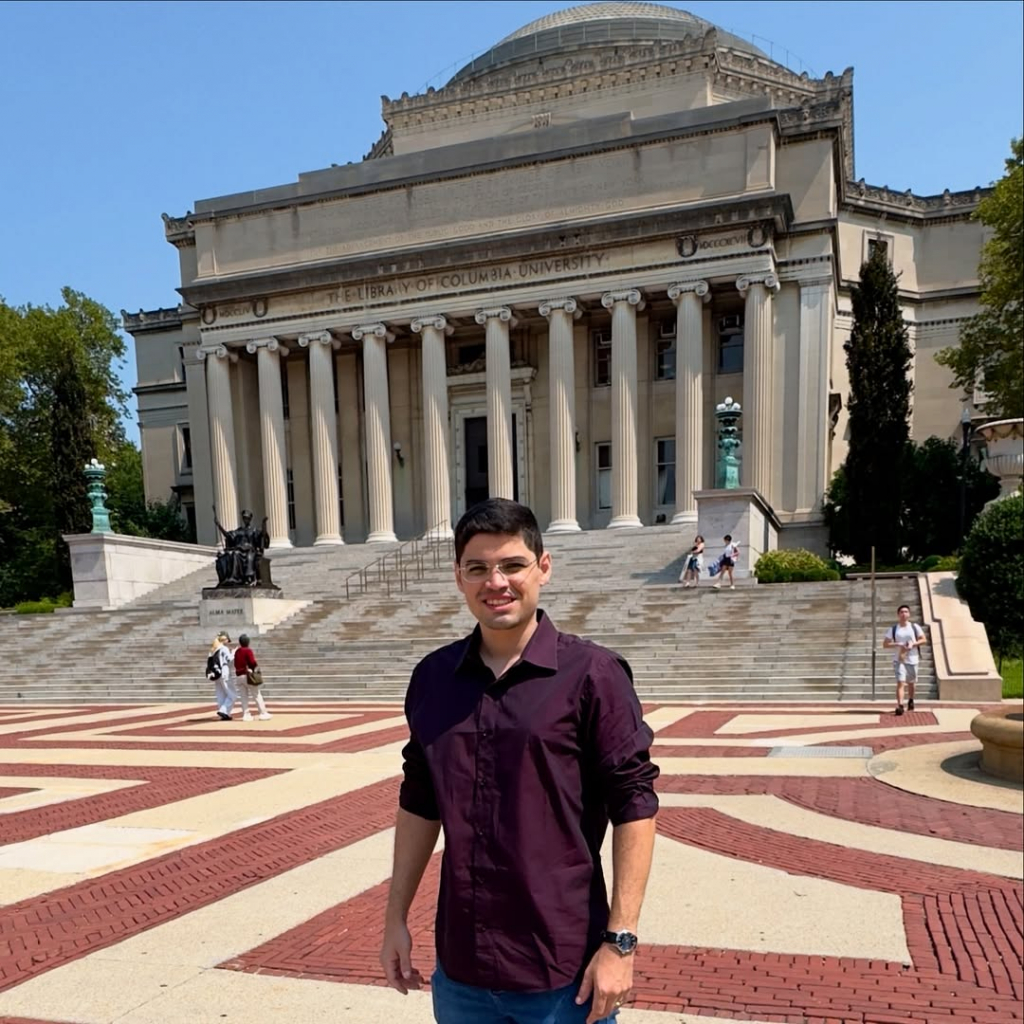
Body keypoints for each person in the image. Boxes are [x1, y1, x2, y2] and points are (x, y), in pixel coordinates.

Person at [380, 498, 660, 1024]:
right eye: (478, 568)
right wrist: (395, 917)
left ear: (543, 568)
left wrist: (620, 943)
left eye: (512, 565)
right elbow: (419, 803)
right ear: (459, 578)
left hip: (562, 970)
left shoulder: (593, 675)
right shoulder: (433, 679)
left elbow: (635, 806)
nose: (496, 582)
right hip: (462, 967)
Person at [882, 604, 927, 716]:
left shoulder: (914, 627)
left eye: (906, 612)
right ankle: (900, 705)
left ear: (909, 614)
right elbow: (885, 644)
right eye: (901, 612)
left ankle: (911, 699)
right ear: (898, 614)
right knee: (900, 682)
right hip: (899, 659)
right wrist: (897, 643)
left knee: (911, 682)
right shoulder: (893, 629)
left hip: (912, 658)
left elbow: (923, 640)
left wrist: (913, 644)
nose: (904, 614)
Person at [233, 633, 271, 721]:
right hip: (247, 675)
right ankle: (263, 713)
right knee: (256, 694)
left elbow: (235, 663)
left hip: (239, 676)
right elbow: (252, 662)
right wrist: (254, 668)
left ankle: (246, 715)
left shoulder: (237, 651)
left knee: (243, 696)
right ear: (248, 642)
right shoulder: (248, 650)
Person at [206, 632, 235, 721]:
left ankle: (224, 713)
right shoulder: (224, 648)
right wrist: (234, 653)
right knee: (232, 694)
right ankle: (224, 710)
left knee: (221, 694)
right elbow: (229, 659)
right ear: (225, 639)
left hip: (216, 672)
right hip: (224, 670)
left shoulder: (213, 649)